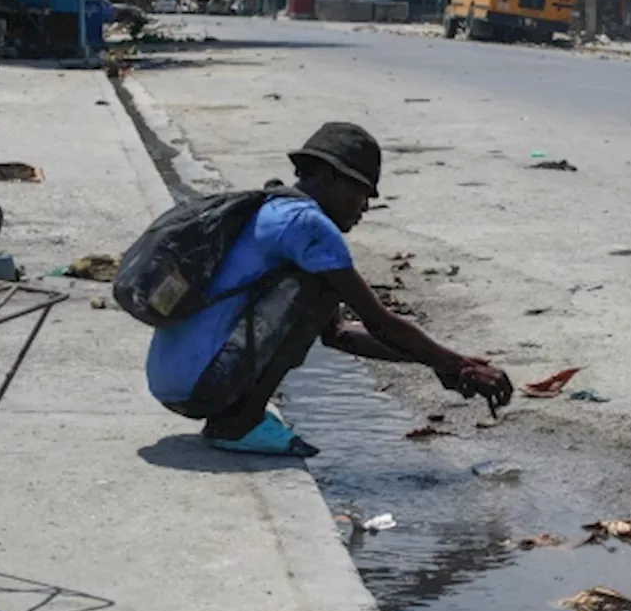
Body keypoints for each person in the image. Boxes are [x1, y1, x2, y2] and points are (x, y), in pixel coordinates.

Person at [146, 122, 513, 457]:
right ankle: (238, 424)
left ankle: (235, 416)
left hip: (175, 380)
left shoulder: (276, 208)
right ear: (326, 177)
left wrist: (437, 361)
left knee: (319, 290)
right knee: (318, 290)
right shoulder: (310, 226)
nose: (365, 208)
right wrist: (459, 364)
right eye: (361, 192)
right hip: (202, 384)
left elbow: (341, 336)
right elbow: (379, 322)